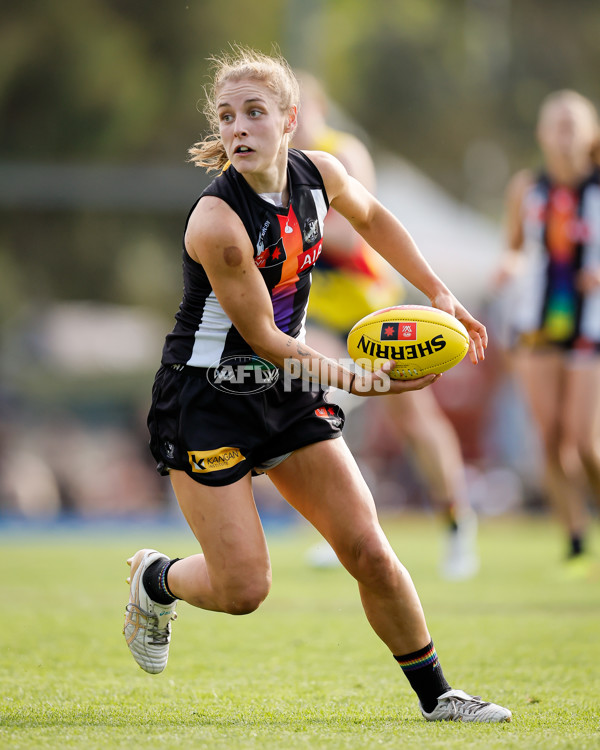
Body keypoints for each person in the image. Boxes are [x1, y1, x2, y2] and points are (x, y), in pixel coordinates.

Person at [123, 46, 511, 723]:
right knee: (245, 589)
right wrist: (360, 379)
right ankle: (154, 580)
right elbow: (269, 338)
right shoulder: (217, 223)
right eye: (226, 117)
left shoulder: (319, 175)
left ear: (290, 120)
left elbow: (375, 220)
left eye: (254, 113)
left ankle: (439, 696)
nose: (238, 128)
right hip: (205, 403)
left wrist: (439, 292)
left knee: (368, 548)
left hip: (287, 391)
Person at [292, 71, 478, 580]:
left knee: (415, 422)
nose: (294, 119)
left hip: (371, 311)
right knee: (311, 395)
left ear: (320, 108)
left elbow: (353, 239)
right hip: (319, 313)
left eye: (301, 107)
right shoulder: (277, 167)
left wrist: (275, 232)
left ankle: (458, 526)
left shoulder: (342, 154)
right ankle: (343, 526)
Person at [495, 89, 600, 575]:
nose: (562, 129)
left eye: (571, 121)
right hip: (537, 323)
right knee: (551, 439)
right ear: (540, 133)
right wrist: (507, 267)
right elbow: (514, 246)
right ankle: (576, 540)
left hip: (590, 322)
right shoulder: (527, 187)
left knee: (585, 442)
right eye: (553, 120)